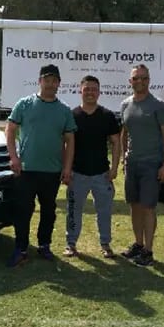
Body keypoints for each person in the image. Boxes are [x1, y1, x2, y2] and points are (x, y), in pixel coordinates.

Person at [5, 64, 76, 267]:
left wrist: (67, 168)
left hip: (52, 171)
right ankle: (21, 249)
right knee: (23, 210)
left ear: (59, 84)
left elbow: (70, 141)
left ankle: (44, 245)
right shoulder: (25, 104)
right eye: (47, 80)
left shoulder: (64, 110)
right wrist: (14, 157)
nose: (50, 84)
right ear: (40, 81)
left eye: (54, 81)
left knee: (48, 210)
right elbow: (10, 130)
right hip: (26, 169)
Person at [119, 64, 164, 266]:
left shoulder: (159, 106)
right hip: (132, 164)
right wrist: (124, 156)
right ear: (130, 81)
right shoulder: (125, 105)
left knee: (148, 207)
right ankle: (138, 245)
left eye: (143, 78)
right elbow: (124, 133)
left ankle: (148, 251)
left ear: (149, 80)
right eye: (136, 78)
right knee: (134, 205)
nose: (139, 81)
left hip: (152, 164)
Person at [64, 75, 121, 258]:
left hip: (101, 174)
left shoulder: (107, 116)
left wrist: (114, 168)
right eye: (86, 89)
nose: (90, 92)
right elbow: (65, 144)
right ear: (80, 90)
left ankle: (105, 244)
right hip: (77, 174)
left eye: (94, 89)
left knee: (104, 211)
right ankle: (71, 244)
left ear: (99, 92)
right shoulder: (72, 116)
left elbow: (116, 142)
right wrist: (66, 170)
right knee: (73, 211)